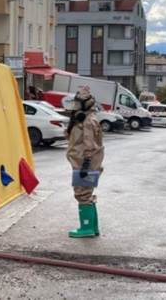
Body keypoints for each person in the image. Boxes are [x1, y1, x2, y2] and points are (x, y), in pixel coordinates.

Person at [64, 86, 103, 238]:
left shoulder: (87, 121)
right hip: (86, 163)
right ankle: (93, 227)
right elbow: (74, 139)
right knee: (87, 194)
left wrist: (85, 165)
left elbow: (90, 146)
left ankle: (86, 229)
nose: (75, 106)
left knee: (82, 194)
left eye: (78, 103)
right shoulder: (86, 118)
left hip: (85, 164)